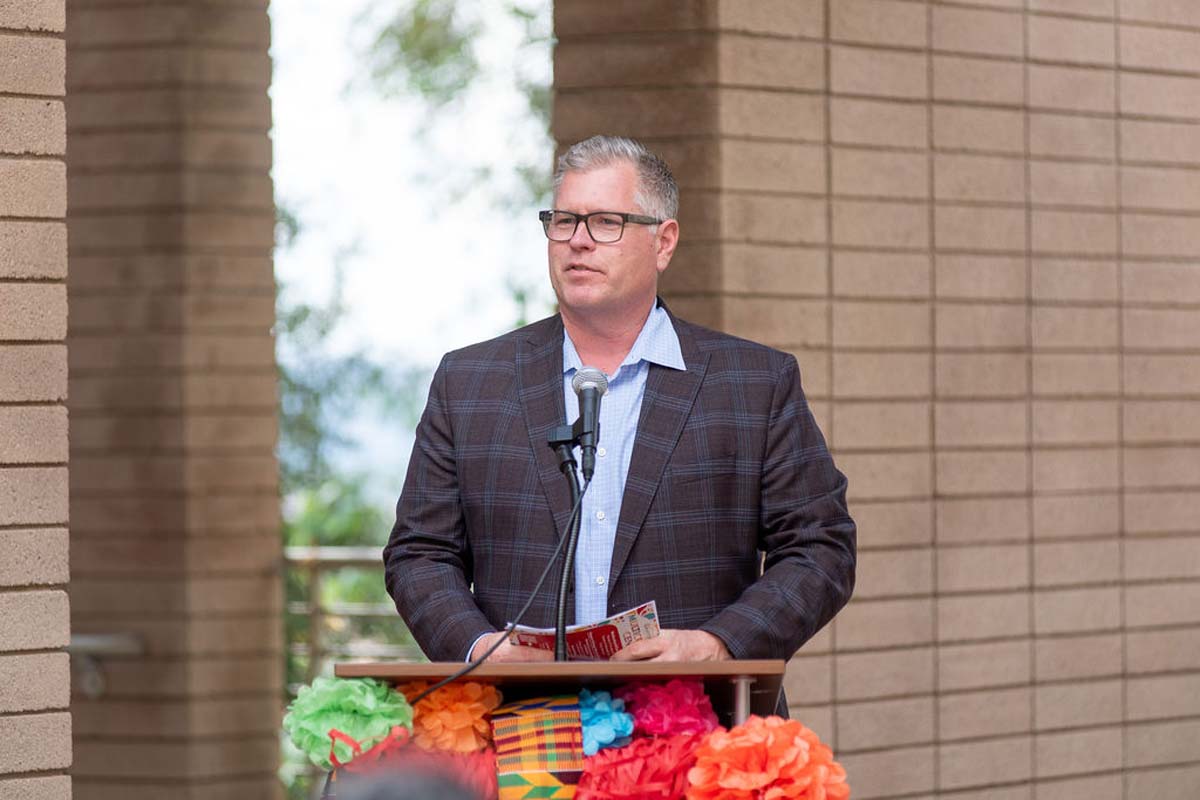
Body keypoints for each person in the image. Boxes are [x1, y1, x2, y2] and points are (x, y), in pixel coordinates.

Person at [384, 135, 855, 666]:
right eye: (564, 221)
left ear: (664, 242)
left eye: (606, 222)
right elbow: (420, 553)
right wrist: (480, 650)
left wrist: (717, 645)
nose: (577, 241)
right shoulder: (470, 382)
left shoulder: (753, 383)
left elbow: (820, 548)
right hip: (522, 724)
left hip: (695, 720)